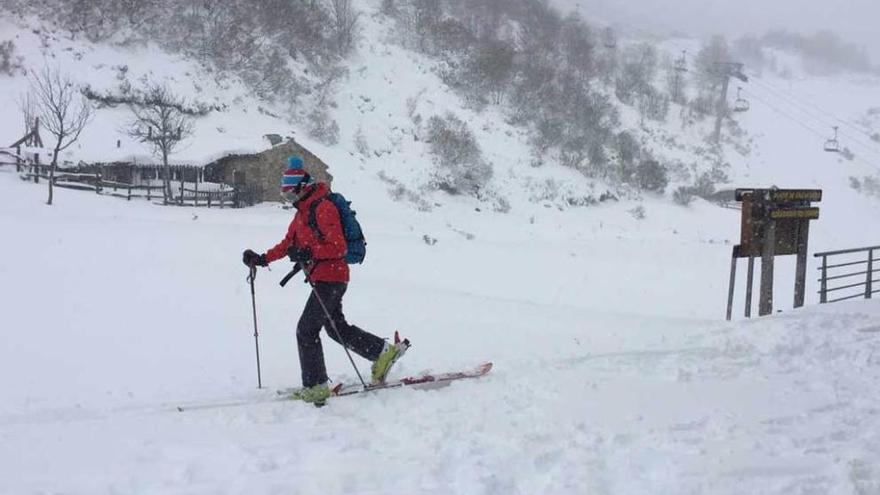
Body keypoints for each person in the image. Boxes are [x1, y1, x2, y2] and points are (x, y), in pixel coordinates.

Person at [242, 156, 408, 404]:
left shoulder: (323, 207)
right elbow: (288, 244)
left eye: (290, 194)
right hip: (322, 277)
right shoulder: (302, 214)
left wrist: (309, 253)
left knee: (306, 330)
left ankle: (316, 387)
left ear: (302, 187)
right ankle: (383, 353)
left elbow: (338, 247)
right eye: (285, 195)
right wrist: (263, 259)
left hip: (332, 277)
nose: (289, 199)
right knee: (335, 328)